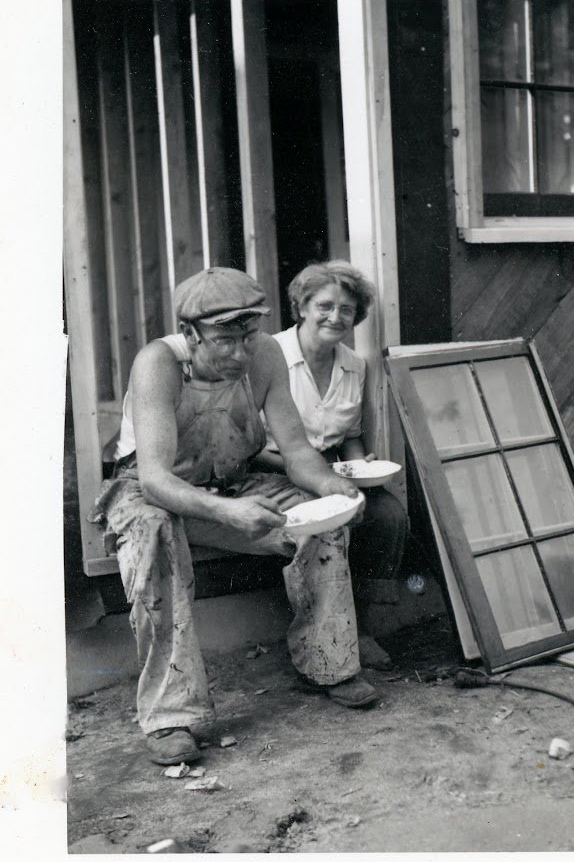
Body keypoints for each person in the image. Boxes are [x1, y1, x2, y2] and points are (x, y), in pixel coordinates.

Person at [91, 266, 379, 768]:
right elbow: (156, 479)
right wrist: (227, 512)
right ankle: (170, 717)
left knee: (323, 519)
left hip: (232, 481)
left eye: (248, 336)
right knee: (154, 535)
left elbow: (296, 451)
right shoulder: (158, 363)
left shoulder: (264, 354)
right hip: (150, 490)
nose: (240, 354)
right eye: (225, 340)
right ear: (190, 334)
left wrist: (332, 486)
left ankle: (329, 664)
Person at [253, 261, 409, 669]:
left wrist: (359, 468)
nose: (336, 317)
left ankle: (362, 628)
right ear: (301, 306)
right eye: (324, 305)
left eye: (347, 310)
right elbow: (248, 446)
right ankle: (322, 638)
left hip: (329, 471)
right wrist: (318, 474)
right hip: (269, 470)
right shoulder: (269, 357)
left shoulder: (354, 365)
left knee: (387, 514)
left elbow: (351, 435)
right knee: (330, 521)